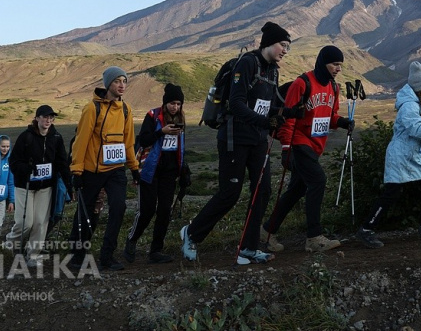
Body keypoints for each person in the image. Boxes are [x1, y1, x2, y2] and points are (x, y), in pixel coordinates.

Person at [181, 21, 289, 265]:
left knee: (263, 191)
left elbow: (266, 105)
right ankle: (191, 234)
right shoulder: (247, 63)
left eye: (287, 47)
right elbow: (238, 104)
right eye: (282, 45)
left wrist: (286, 113)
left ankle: (248, 248)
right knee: (230, 193)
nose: (285, 51)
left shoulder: (273, 70)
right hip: (235, 138)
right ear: (269, 43)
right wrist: (265, 122)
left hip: (258, 139)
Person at [262, 45, 352, 253]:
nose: (338, 69)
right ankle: (314, 237)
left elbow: (330, 117)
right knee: (318, 180)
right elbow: (288, 117)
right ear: (323, 63)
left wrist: (343, 122)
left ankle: (266, 230)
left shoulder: (334, 88)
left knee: (297, 190)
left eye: (340, 65)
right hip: (298, 143)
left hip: (315, 146)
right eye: (334, 64)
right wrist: (286, 148)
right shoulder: (302, 84)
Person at [356, 61, 421, 249]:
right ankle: (366, 230)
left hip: (410, 156)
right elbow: (417, 129)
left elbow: (418, 127)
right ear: (420, 89)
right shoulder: (409, 106)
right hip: (400, 156)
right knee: (391, 193)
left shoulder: (415, 104)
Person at [69, 68, 139, 272]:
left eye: (124, 81)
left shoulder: (126, 109)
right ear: (108, 84)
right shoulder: (92, 109)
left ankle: (107, 257)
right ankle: (77, 255)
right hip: (93, 170)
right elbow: (81, 141)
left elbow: (129, 142)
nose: (122, 85)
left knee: (119, 208)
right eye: (117, 81)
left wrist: (134, 168)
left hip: (116, 170)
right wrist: (77, 171)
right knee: (86, 212)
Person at [124, 83, 190, 264]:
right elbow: (143, 139)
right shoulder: (153, 116)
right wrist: (162, 132)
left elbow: (181, 147)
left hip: (169, 173)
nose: (175, 107)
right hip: (149, 171)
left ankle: (156, 250)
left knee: (164, 211)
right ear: (165, 103)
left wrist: (184, 169)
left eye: (178, 104)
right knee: (147, 210)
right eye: (172, 103)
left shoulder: (181, 118)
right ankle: (131, 240)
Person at [7, 105, 73, 267]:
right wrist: (27, 169)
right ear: (37, 118)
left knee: (40, 223)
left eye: (51, 117)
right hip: (25, 186)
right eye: (44, 117)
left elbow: (62, 163)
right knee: (26, 223)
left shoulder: (56, 137)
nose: (48, 120)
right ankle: (10, 242)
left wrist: (69, 185)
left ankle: (33, 256)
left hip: (46, 187)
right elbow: (13, 162)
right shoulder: (26, 137)